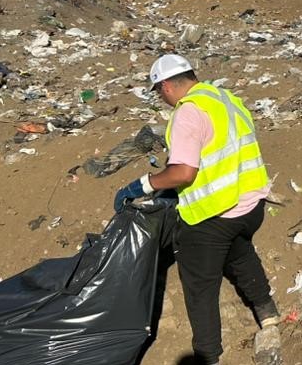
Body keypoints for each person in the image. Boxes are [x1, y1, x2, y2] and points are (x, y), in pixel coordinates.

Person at [114, 54, 279, 365]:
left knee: (200, 287)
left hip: (214, 214)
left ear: (165, 87)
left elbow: (184, 173)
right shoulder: (223, 98)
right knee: (240, 252)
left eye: (158, 93)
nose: (162, 100)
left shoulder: (187, 113)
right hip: (251, 204)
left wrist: (144, 185)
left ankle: (208, 356)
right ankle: (266, 310)